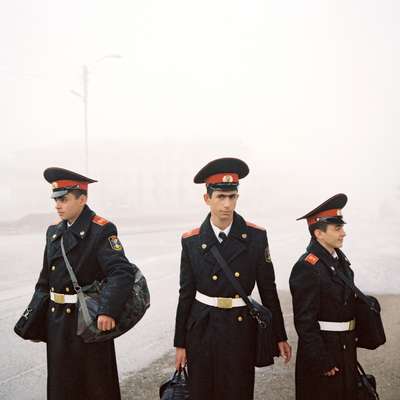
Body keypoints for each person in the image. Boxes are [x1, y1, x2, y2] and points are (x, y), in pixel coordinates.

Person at [173, 157, 291, 400]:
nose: (227, 204)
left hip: (239, 330)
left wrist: (280, 336)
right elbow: (185, 294)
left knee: (237, 391)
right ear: (207, 199)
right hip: (202, 329)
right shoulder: (192, 241)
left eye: (232, 196)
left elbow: (268, 289)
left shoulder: (256, 237)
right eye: (220, 197)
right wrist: (180, 344)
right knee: (202, 392)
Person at [34, 167, 136, 400]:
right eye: (56, 199)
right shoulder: (53, 233)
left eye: (64, 199)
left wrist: (108, 310)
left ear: (83, 199)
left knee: (94, 387)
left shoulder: (101, 229)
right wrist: (34, 320)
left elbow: (121, 272)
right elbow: (44, 281)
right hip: (58, 321)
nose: (58, 205)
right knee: (62, 387)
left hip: (88, 321)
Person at [289, 193, 358, 400]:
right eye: (337, 229)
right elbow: (304, 321)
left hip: (344, 348)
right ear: (319, 233)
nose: (343, 233)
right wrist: (322, 360)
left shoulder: (339, 261)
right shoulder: (307, 267)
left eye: (342, 228)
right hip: (323, 352)